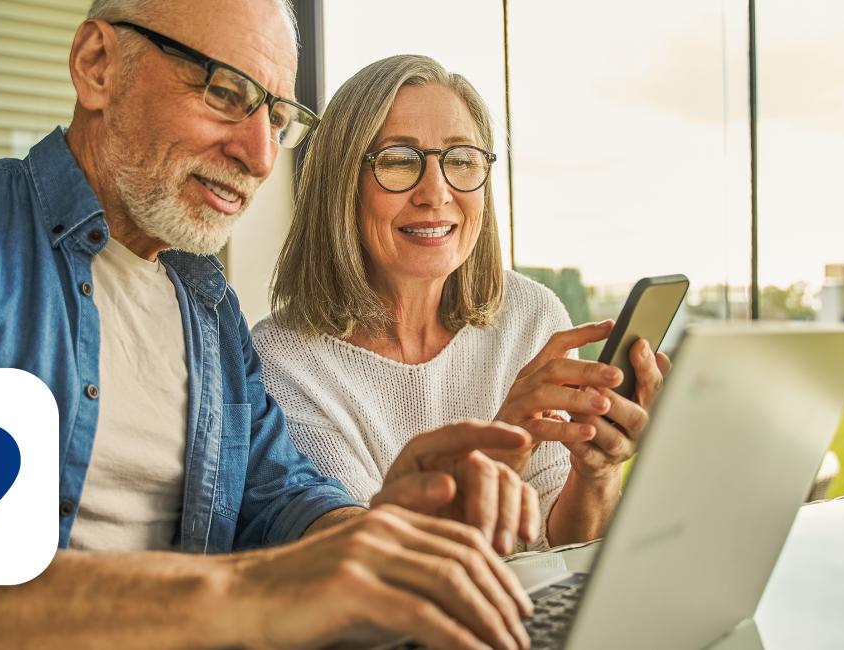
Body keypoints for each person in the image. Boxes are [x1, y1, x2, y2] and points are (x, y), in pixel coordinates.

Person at [0, 3, 538, 649]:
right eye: (226, 94)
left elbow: (280, 496)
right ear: (98, 66)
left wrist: (380, 534)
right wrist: (247, 591)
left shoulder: (208, 307)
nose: (259, 156)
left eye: (276, 119)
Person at [253, 54, 670, 554]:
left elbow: (560, 551)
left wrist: (596, 472)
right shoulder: (281, 361)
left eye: (461, 160)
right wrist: (501, 447)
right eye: (398, 161)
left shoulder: (531, 315)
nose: (436, 192)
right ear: (341, 184)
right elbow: (366, 565)